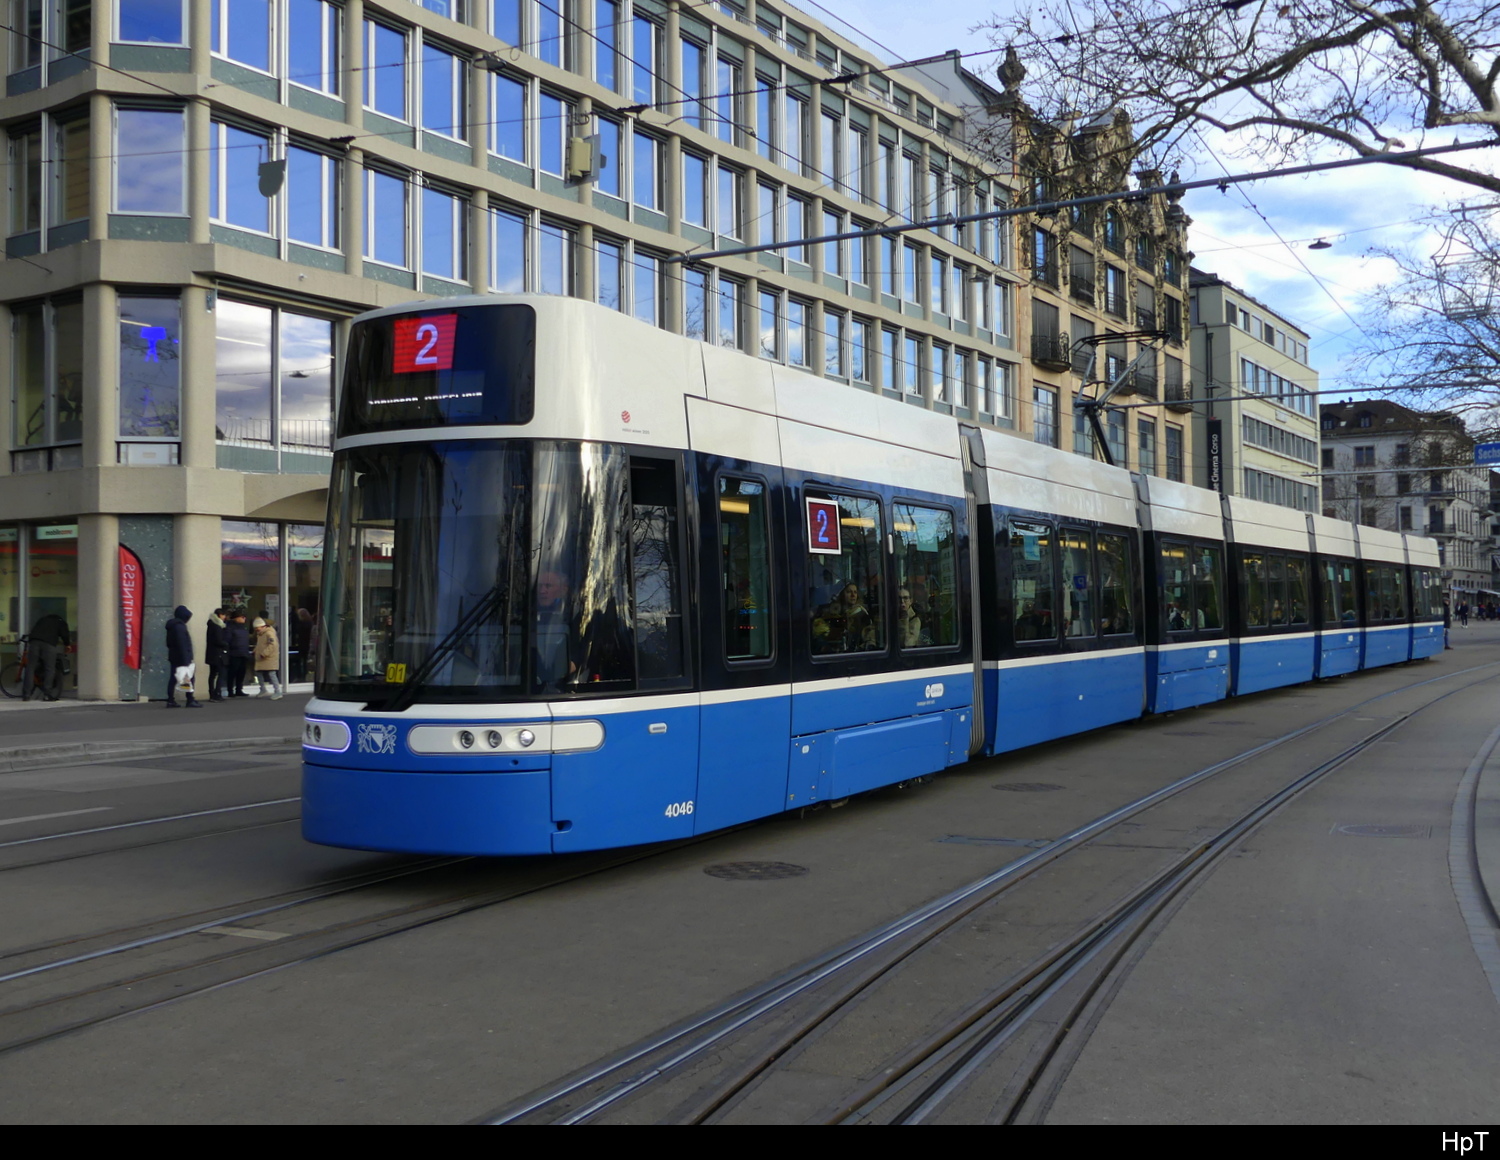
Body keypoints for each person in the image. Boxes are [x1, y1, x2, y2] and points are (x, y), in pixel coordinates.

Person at [27, 611, 70, 701]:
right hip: (49, 644)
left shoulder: (42, 620)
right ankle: (47, 694)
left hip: (34, 642)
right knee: (49, 668)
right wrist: (67, 644)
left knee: (30, 667)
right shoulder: (60, 621)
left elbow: (33, 631)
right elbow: (64, 634)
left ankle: (26, 695)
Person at [164, 605, 201, 708]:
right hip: (182, 657)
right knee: (188, 678)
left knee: (174, 678)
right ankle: (189, 699)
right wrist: (186, 660)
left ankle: (171, 699)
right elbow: (182, 644)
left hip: (174, 656)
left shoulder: (172, 626)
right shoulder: (180, 627)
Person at [252, 617, 282, 699]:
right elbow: (260, 645)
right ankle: (263, 689)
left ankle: (277, 691)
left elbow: (273, 645)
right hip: (262, 656)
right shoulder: (261, 634)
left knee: (271, 674)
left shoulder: (269, 633)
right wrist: (255, 650)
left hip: (268, 657)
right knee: (258, 672)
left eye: (257, 628)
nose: (256, 629)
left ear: (261, 626)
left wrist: (264, 653)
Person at [225, 609, 251, 696]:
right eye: (242, 617)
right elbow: (227, 640)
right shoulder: (230, 627)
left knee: (241, 672)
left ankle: (239, 689)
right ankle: (230, 690)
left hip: (243, 652)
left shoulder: (244, 627)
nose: (244, 619)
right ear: (236, 618)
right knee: (232, 672)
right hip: (234, 653)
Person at [205, 608, 229, 702]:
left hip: (212, 654)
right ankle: (217, 693)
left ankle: (211, 693)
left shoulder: (211, 624)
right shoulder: (217, 626)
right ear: (220, 615)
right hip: (218, 654)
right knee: (221, 673)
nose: (225, 617)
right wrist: (226, 644)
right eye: (224, 615)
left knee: (212, 674)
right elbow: (219, 641)